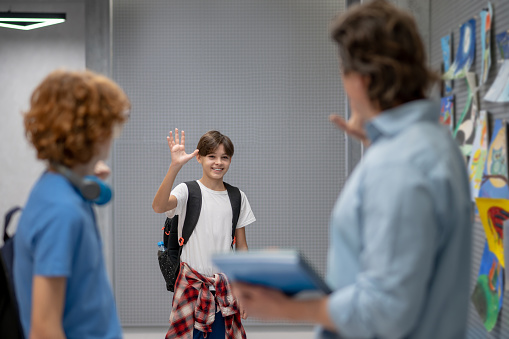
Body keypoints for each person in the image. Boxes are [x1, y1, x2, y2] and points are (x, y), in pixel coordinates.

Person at [232, 1, 473, 338]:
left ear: (362, 78)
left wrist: (286, 308)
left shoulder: (399, 163)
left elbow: (385, 312)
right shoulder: (433, 144)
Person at [13, 69, 130, 339]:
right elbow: (44, 330)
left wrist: (87, 174)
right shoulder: (62, 212)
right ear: (95, 132)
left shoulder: (56, 187)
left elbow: (101, 194)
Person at [152, 129, 256, 339]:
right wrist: (175, 167)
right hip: (191, 288)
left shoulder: (237, 197)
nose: (218, 162)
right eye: (212, 156)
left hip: (224, 292)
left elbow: (242, 247)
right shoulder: (186, 191)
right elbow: (158, 206)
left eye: (224, 157)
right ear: (199, 158)